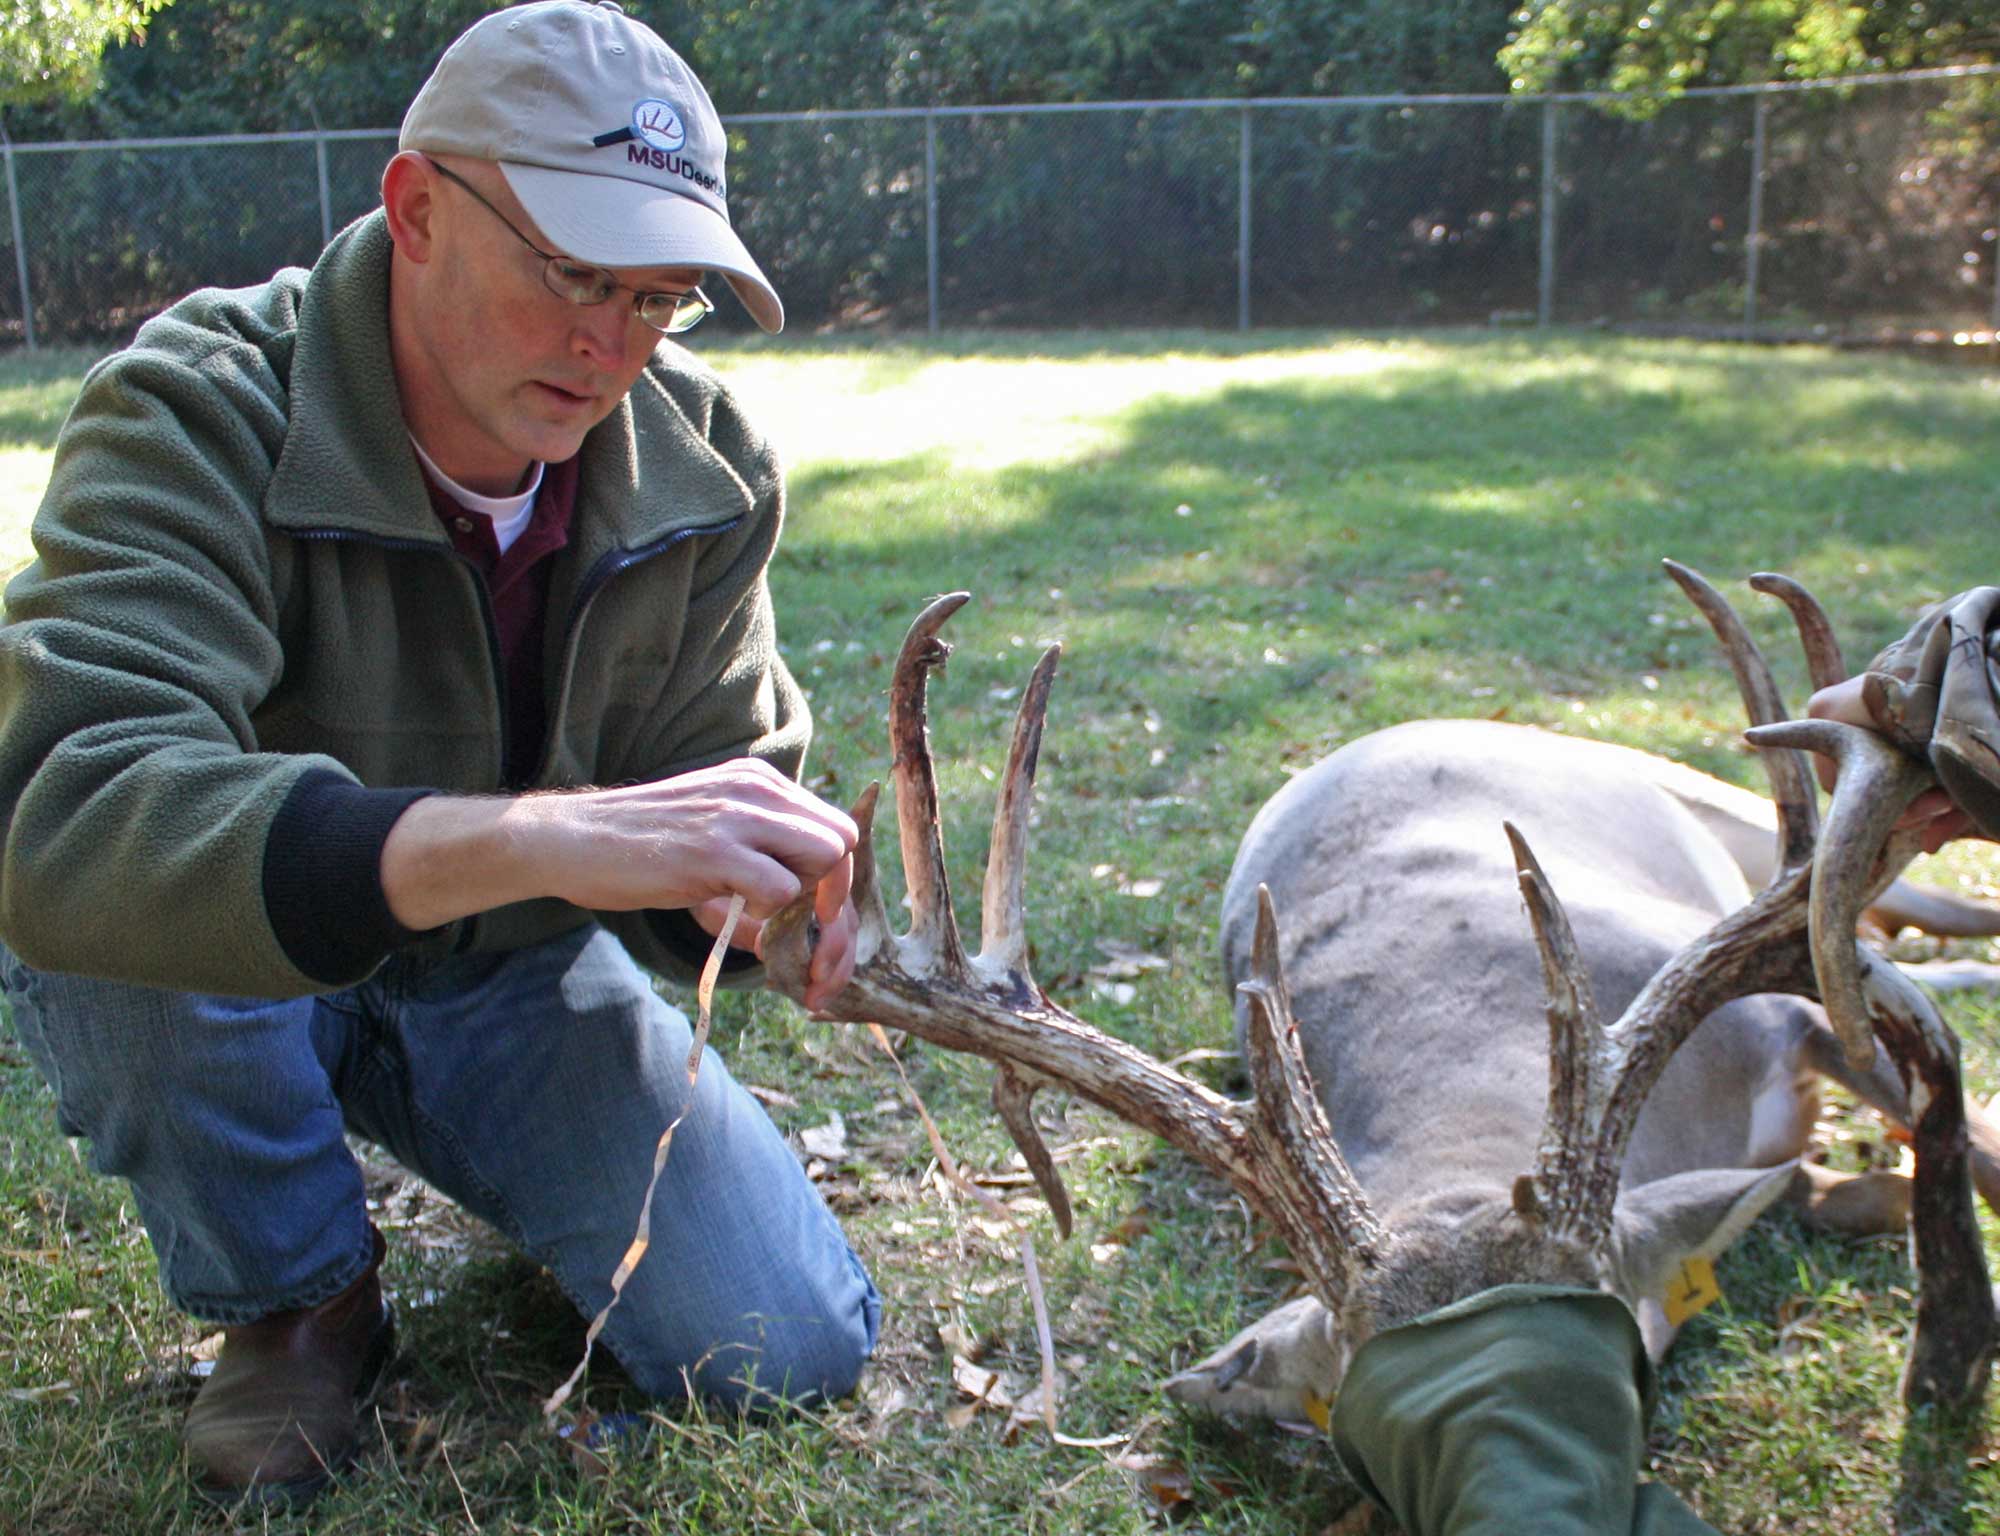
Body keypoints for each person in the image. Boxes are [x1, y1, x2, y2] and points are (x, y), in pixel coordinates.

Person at [0, 0, 877, 1507]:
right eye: (574, 273)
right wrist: (529, 836)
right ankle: (300, 1299)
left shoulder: (702, 467)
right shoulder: (199, 407)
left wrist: (754, 902)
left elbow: (719, 763)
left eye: (662, 297)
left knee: (774, 1345)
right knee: (115, 928)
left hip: (513, 977)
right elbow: (63, 805)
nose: (614, 342)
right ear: (415, 209)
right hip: (231, 970)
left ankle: (546, 1184)